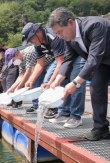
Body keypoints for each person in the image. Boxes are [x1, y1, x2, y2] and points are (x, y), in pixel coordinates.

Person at [47, 7, 110, 140]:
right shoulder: (69, 37)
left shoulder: (95, 25)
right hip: (103, 62)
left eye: (60, 31)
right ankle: (101, 128)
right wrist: (58, 80)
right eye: (56, 33)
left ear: (70, 22)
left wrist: (75, 83)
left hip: (100, 58)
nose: (59, 36)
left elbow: (93, 58)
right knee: (96, 88)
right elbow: (68, 59)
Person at [21, 22, 65, 117]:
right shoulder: (37, 44)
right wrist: (31, 80)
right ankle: (59, 110)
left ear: (38, 32)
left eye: (31, 39)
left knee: (60, 82)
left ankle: (72, 114)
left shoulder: (53, 36)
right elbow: (40, 64)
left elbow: (60, 62)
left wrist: (50, 82)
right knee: (46, 82)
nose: (30, 42)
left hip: (73, 56)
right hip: (59, 59)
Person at [0, 44, 20, 108]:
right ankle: (9, 98)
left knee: (9, 81)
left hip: (14, 67)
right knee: (3, 80)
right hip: (8, 69)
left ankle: (15, 101)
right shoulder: (1, 58)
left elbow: (5, 68)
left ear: (1, 52)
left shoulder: (7, 54)